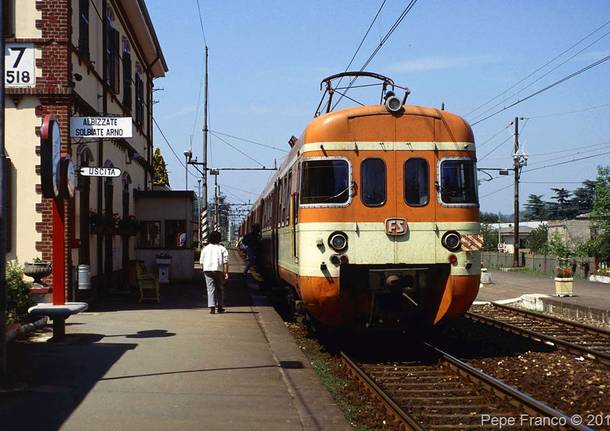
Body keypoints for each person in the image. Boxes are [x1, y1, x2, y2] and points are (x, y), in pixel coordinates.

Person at [200, 231, 229, 314]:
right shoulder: (222, 248)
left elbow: (201, 261)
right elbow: (225, 262)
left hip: (207, 270)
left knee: (210, 289)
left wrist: (204, 270)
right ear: (219, 239)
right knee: (220, 289)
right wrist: (226, 273)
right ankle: (220, 307)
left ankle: (212, 308)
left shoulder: (205, 248)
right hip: (219, 270)